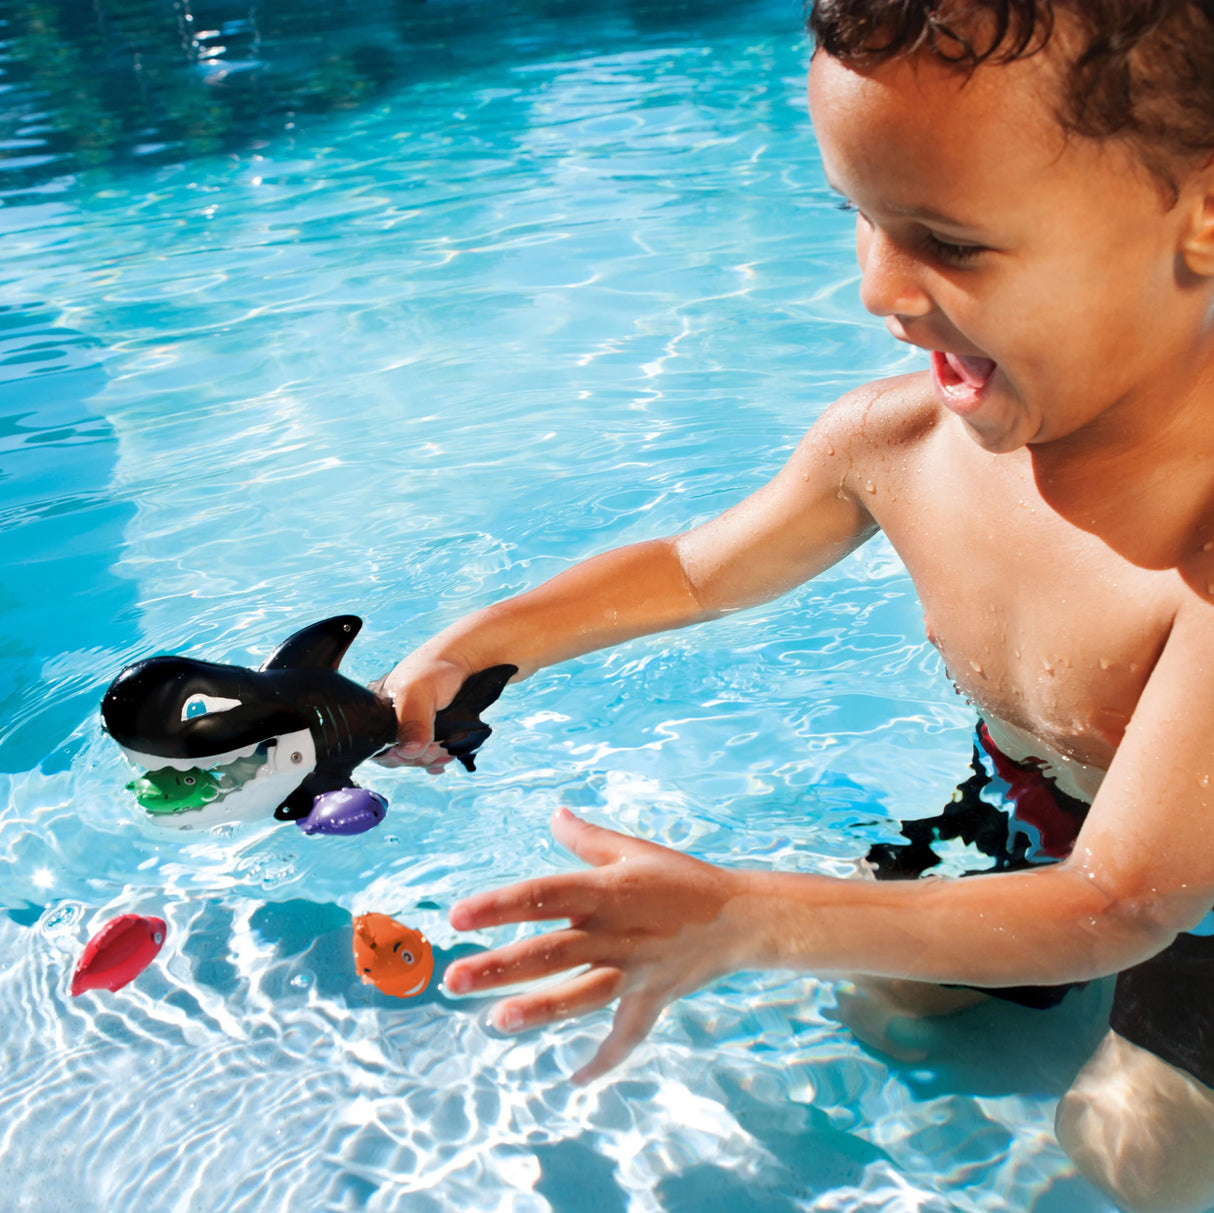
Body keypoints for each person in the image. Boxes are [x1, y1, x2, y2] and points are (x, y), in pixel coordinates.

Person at [376, 3, 1214, 1209]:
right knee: (889, 1014)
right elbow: (694, 568)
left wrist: (749, 913)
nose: (880, 288)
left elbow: (1122, 902)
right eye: (859, 219)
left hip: (1184, 903)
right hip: (1032, 819)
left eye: (950, 243)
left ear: (1196, 214)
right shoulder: (896, 443)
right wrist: (480, 645)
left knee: (1128, 1148)